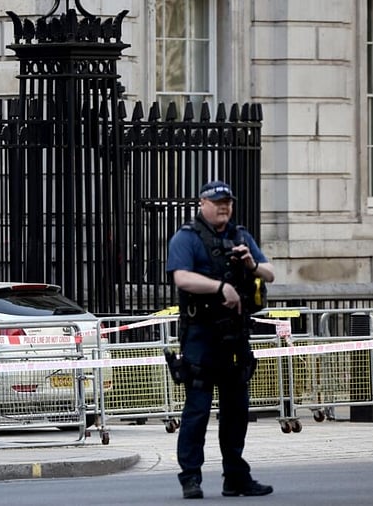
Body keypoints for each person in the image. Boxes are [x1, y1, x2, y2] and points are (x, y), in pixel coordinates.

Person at [166, 180, 276, 499]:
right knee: (197, 411)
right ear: (202, 204)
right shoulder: (186, 237)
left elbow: (270, 273)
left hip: (235, 338)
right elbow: (181, 277)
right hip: (201, 337)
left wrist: (251, 264)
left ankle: (236, 478)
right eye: (217, 202)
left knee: (236, 411)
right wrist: (219, 287)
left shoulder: (240, 236)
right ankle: (190, 477)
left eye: (227, 202)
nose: (224, 207)